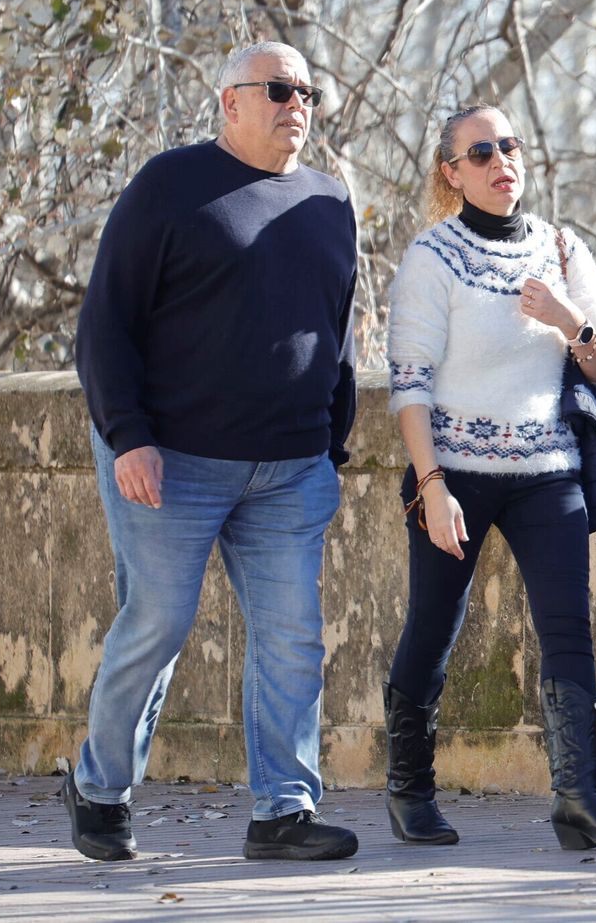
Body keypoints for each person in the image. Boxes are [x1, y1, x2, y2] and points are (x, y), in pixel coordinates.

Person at [67, 42, 360, 862]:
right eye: (277, 89)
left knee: (293, 634)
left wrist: (330, 445)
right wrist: (129, 436)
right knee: (158, 621)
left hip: (290, 471)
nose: (295, 103)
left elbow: (335, 337)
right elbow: (105, 325)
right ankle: (100, 784)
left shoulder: (330, 201)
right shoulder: (170, 186)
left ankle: (283, 811)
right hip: (172, 461)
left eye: (306, 91)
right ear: (229, 101)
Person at [382, 104, 596, 850]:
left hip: (547, 473)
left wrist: (570, 320)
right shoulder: (433, 257)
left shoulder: (561, 247)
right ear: (453, 171)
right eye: (482, 152)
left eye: (510, 146)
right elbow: (410, 385)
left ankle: (578, 797)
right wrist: (431, 485)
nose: (503, 162)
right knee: (433, 629)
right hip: (454, 472)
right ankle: (409, 791)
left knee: (569, 629)